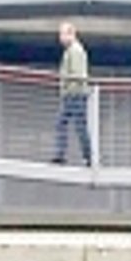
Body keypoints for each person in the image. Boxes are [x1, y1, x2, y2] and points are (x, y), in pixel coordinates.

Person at [52, 21, 92, 166]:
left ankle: (61, 155)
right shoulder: (73, 50)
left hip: (74, 94)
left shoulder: (75, 51)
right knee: (78, 126)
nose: (60, 38)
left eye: (62, 34)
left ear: (70, 34)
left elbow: (77, 74)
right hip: (75, 93)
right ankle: (87, 157)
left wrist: (66, 89)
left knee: (64, 124)